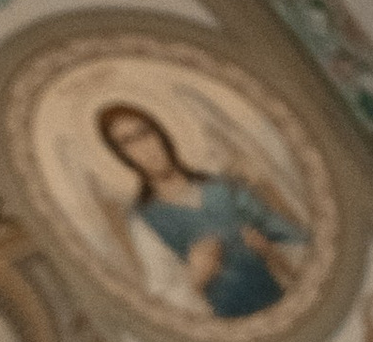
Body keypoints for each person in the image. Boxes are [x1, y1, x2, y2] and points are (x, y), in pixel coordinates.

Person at [95, 101, 310, 325]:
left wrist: (270, 249)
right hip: (230, 331)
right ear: (122, 155)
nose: (144, 147)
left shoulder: (224, 187)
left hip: (284, 306)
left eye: (145, 133)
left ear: (160, 134)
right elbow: (161, 300)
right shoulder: (144, 220)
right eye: (128, 142)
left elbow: (296, 240)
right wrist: (195, 278)